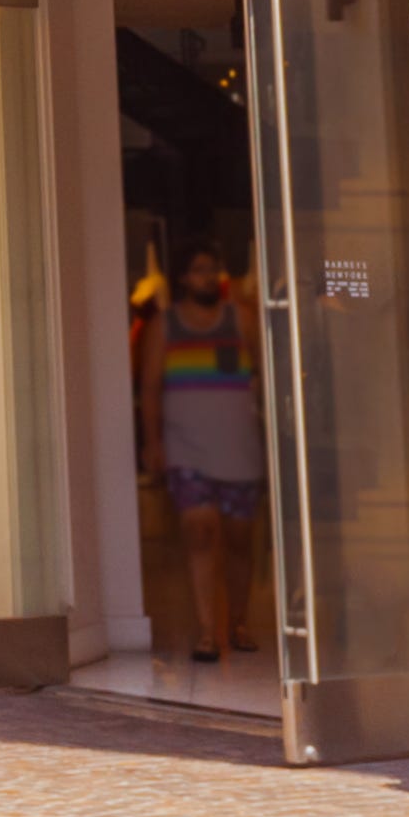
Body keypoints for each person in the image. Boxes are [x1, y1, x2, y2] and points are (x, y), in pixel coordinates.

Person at [148, 235, 269, 665]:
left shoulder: (243, 320)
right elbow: (151, 389)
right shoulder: (164, 326)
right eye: (199, 270)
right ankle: (205, 633)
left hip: (240, 449)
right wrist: (154, 443)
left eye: (212, 269)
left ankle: (238, 623)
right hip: (187, 451)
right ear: (183, 277)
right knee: (200, 533)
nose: (208, 277)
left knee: (239, 540)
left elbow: (266, 376)